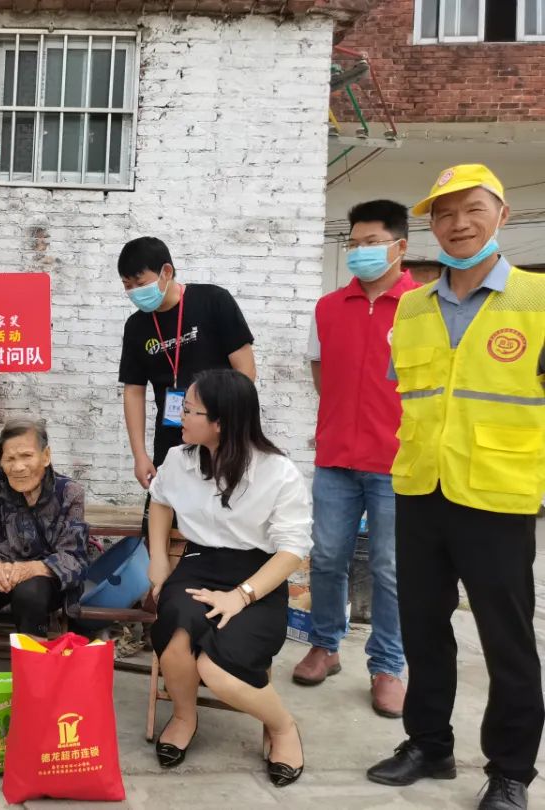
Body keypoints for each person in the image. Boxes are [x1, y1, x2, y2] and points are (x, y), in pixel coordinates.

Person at [366, 165, 545, 810]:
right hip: (420, 488)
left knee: (506, 638)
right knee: (422, 626)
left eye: (472, 209)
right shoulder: (412, 306)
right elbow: (414, 397)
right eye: (443, 214)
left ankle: (511, 771)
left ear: (503, 216)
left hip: (499, 493)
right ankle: (429, 744)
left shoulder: (537, 299)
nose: (458, 224)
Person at [146, 369, 310, 786]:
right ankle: (184, 717)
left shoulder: (277, 472)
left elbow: (293, 549)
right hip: (199, 563)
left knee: (218, 671)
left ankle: (282, 727)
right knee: (177, 639)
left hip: (257, 576)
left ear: (220, 422)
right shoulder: (179, 460)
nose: (179, 417)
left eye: (189, 411)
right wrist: (159, 561)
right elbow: (160, 501)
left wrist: (242, 595)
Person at [292, 200, 417, 718]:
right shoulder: (328, 307)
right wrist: (345, 418)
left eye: (372, 243)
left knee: (390, 568)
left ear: (400, 247)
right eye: (354, 243)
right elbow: (320, 370)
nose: (360, 251)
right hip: (336, 456)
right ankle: (324, 645)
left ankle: (387, 666)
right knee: (326, 556)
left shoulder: (421, 307)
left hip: (397, 460)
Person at [0, 418, 89, 672]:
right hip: (0, 567)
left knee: (30, 593)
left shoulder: (70, 492)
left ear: (46, 456)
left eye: (26, 456)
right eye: (10, 459)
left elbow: (73, 555)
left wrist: (31, 568)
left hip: (46, 575)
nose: (18, 467)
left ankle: (34, 682)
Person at [117, 236, 256, 491]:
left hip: (221, 434)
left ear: (166, 272)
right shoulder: (136, 326)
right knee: (167, 508)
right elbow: (134, 391)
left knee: (223, 506)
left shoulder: (214, 301)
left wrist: (228, 427)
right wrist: (140, 455)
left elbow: (245, 371)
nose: (134, 292)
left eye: (140, 283)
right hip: (172, 436)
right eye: (128, 286)